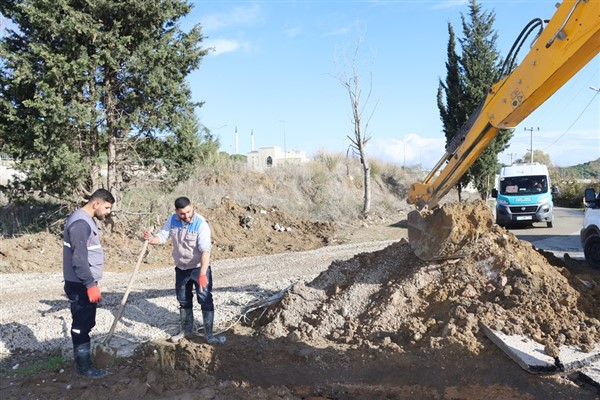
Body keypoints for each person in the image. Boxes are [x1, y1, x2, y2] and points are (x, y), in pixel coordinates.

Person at [144, 196, 225, 344]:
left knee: (205, 299)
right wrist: (151, 240)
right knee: (183, 300)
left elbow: (205, 250)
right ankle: (186, 330)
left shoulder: (201, 224)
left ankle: (209, 335)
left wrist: (202, 274)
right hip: (181, 268)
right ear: (176, 212)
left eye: (188, 212)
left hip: (199, 268)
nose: (186, 216)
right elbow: (163, 236)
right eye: (182, 214)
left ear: (192, 207)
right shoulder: (173, 220)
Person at [63, 188, 115, 378]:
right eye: (107, 207)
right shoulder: (80, 224)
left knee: (86, 321)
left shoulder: (84, 219)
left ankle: (83, 363)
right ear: (96, 204)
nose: (108, 212)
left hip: (83, 282)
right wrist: (90, 284)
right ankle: (84, 367)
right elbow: (79, 259)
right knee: (81, 324)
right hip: (80, 284)